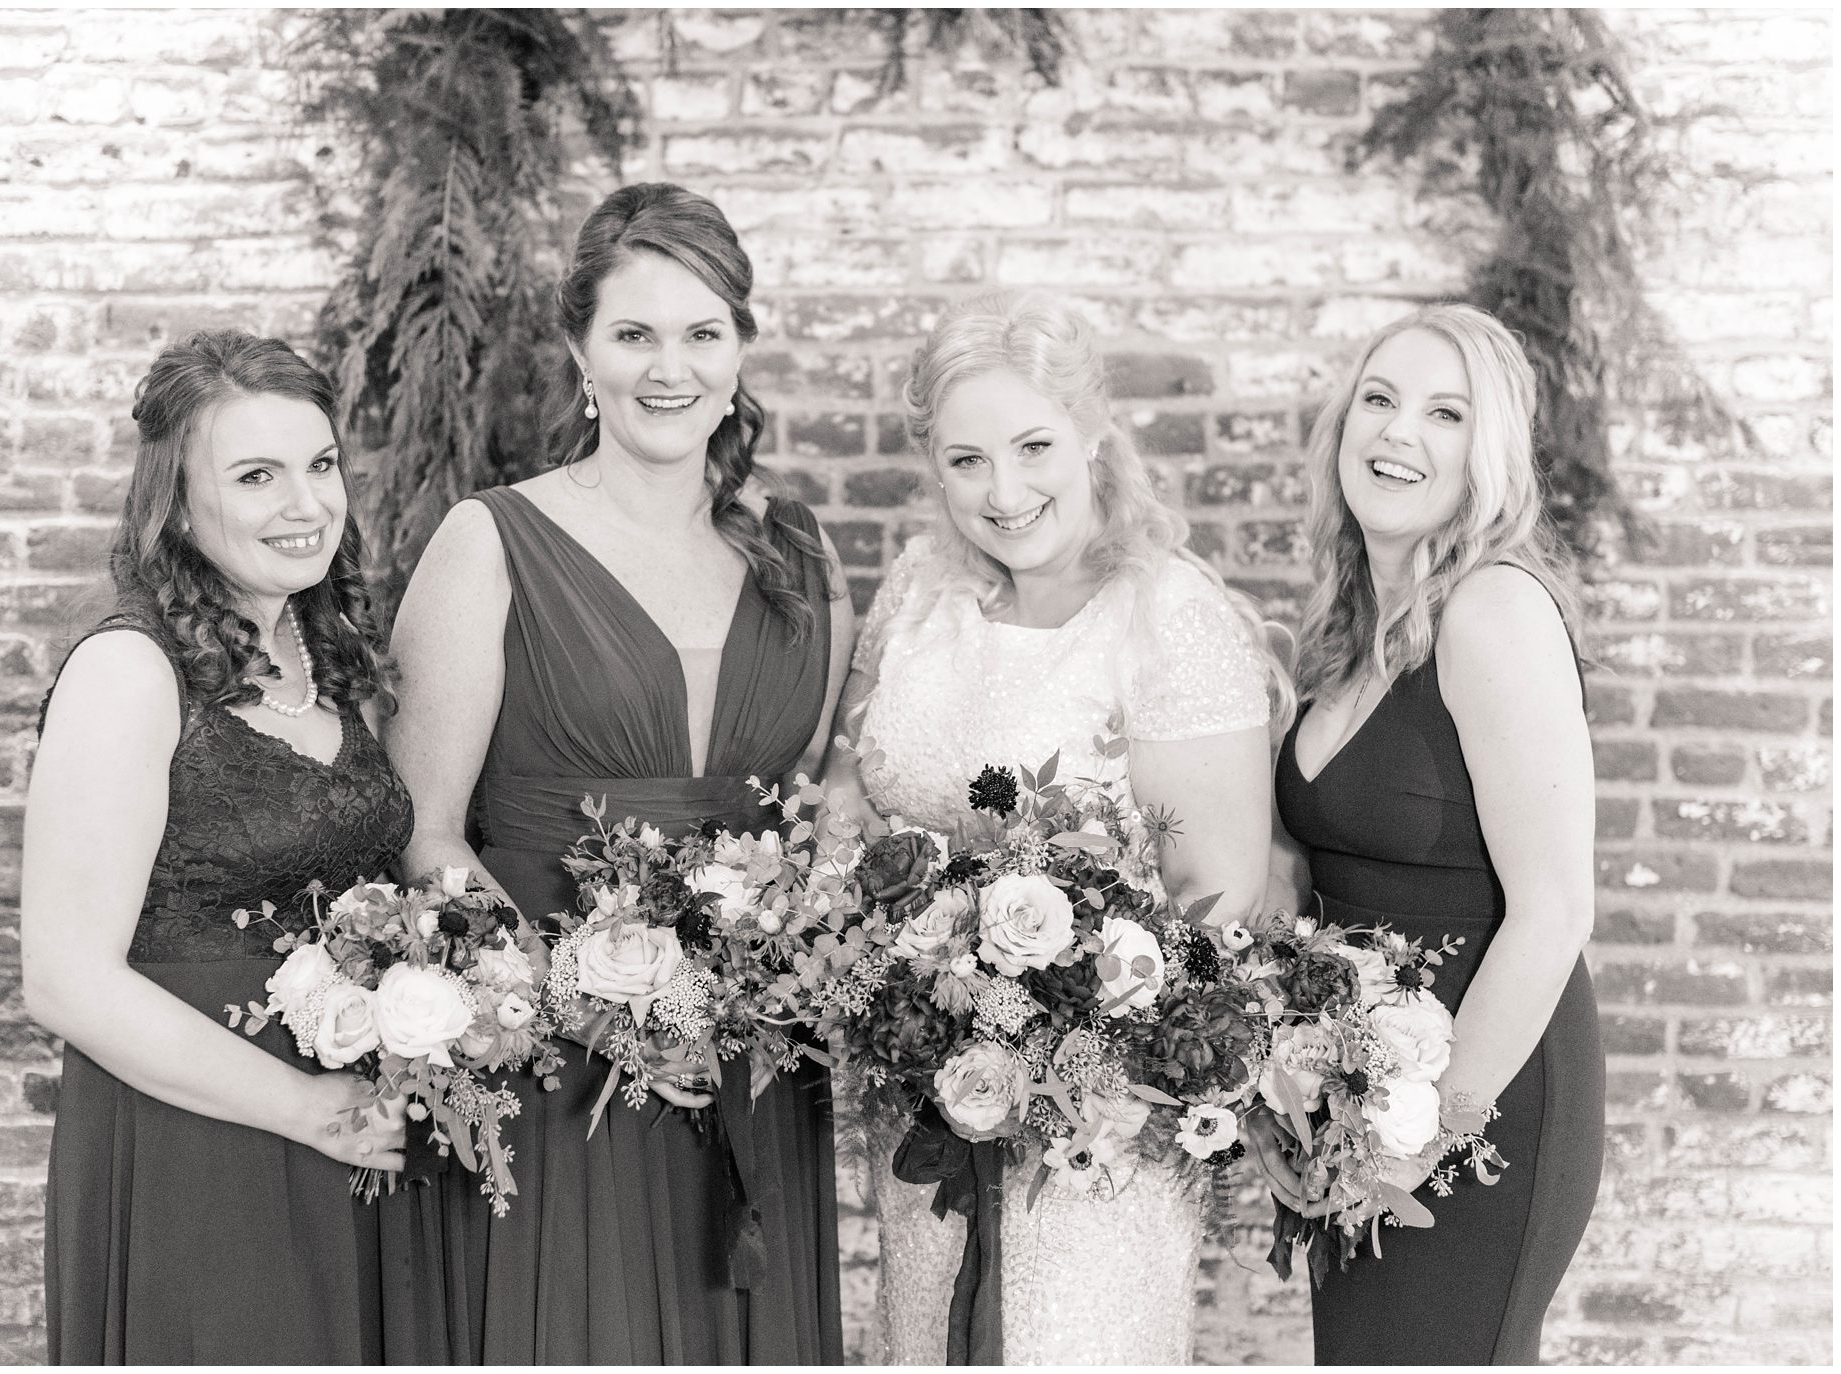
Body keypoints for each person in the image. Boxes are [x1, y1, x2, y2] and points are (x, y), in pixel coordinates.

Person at [381, 182, 852, 1363]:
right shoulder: (490, 542)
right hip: (558, 1066)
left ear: (739, 349)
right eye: (634, 334)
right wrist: (589, 1007)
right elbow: (423, 833)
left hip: (752, 1061)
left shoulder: (800, 551)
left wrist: (781, 973)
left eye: (701, 333)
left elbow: (806, 814)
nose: (668, 368)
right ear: (580, 351)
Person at [833, 290, 1292, 1364]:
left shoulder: (1167, 617)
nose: (1003, 493)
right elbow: (847, 797)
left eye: (1033, 446)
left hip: (1092, 1136)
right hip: (923, 1108)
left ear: (1091, 432)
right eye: (966, 461)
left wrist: (1053, 1036)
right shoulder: (918, 594)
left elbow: (1215, 906)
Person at [22, 332, 414, 1363]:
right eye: (255, 476)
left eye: (320, 464)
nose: (306, 503)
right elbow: (64, 979)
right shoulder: (128, 671)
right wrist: (306, 1108)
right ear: (180, 505)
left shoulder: (327, 656)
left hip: (347, 1138)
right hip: (194, 1144)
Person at [1251, 302, 1604, 1364]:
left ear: (1486, 456)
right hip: (1356, 1101)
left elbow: (1553, 912)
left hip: (1480, 1104)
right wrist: (1285, 1096)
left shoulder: (1494, 611)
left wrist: (1419, 1141)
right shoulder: (1344, 631)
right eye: (1379, 399)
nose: (1398, 432)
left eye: (1445, 413)